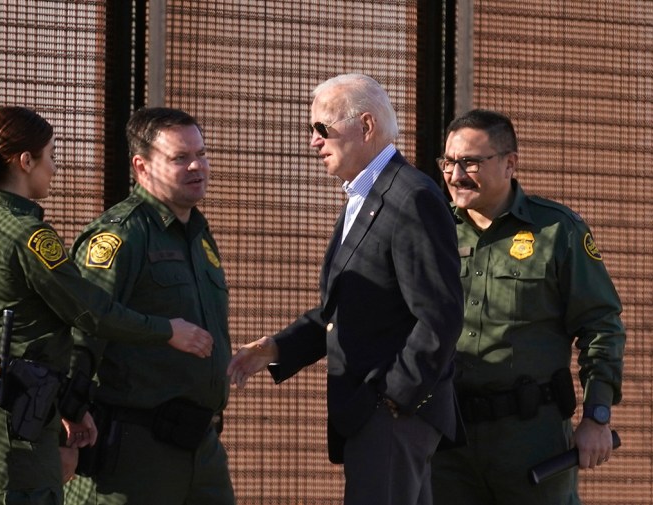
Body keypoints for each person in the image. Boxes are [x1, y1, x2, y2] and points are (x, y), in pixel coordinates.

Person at [0, 106, 214, 504]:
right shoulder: (30, 235)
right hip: (19, 421)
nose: (55, 168)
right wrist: (167, 330)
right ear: (26, 162)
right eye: (51, 156)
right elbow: (91, 311)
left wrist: (69, 410)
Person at [226, 73, 463, 505]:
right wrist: (276, 348)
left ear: (366, 126)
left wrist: (393, 398)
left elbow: (439, 315)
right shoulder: (366, 195)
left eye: (322, 128)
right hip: (376, 415)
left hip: (392, 415)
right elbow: (347, 309)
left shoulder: (410, 197)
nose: (313, 142)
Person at [430, 109, 626, 504]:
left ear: (509, 164)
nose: (455, 175)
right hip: (448, 440)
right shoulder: (432, 230)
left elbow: (600, 325)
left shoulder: (556, 231)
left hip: (531, 439)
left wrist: (597, 415)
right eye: (448, 162)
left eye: (470, 161)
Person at [63, 107, 235, 504]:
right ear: (141, 167)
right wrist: (68, 418)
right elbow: (82, 328)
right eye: (180, 158)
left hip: (202, 448)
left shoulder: (198, 234)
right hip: (136, 452)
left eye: (202, 153)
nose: (198, 166)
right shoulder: (121, 236)